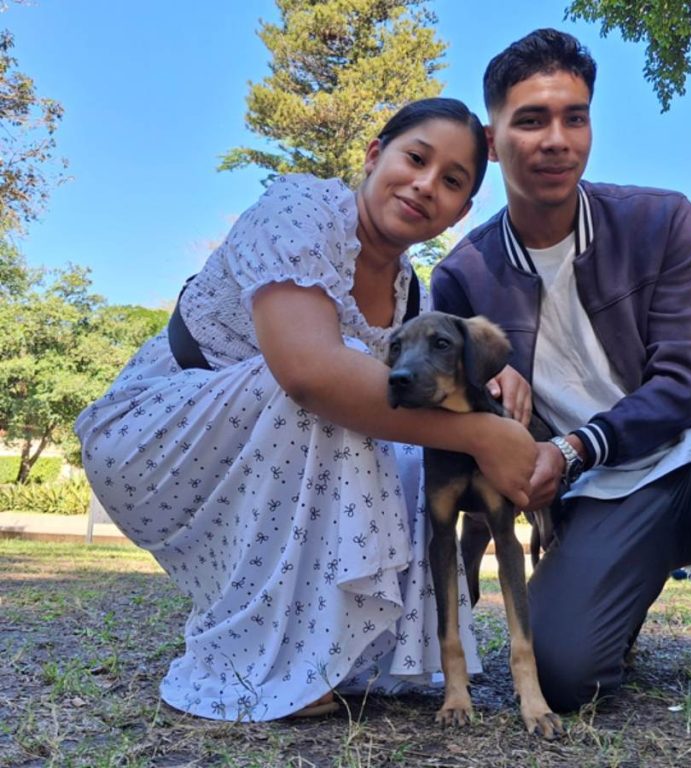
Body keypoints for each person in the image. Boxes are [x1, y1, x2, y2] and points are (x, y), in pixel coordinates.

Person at [74, 98, 538, 722]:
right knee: (341, 382)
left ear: (462, 208)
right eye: (416, 158)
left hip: (258, 444)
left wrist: (480, 378)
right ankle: (267, 661)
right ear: (375, 156)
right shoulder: (300, 210)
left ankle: (349, 652)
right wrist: (483, 433)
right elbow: (308, 373)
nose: (427, 185)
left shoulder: (410, 292)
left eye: (452, 181)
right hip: (155, 429)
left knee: (409, 447)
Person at [431, 30, 691, 719]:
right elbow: (463, 411)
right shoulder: (462, 276)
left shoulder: (659, 219)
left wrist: (575, 446)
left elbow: (683, 381)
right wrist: (499, 400)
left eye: (574, 117)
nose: (557, 139)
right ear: (494, 142)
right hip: (600, 500)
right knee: (565, 676)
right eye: (531, 120)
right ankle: (617, 597)